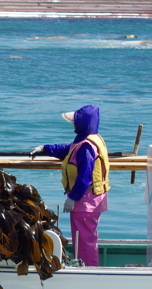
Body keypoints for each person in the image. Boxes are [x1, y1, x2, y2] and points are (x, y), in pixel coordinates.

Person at [30, 105, 110, 266]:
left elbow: (85, 176)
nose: (73, 124)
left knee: (84, 239)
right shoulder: (90, 139)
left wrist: (72, 198)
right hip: (92, 198)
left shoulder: (87, 146)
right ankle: (87, 266)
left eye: (75, 122)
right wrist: (45, 148)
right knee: (86, 237)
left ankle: (87, 271)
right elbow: (69, 150)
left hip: (85, 200)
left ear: (83, 124)